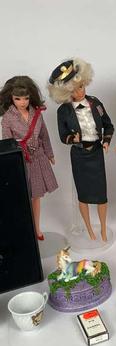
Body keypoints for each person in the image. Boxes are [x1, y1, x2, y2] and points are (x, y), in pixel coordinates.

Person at [48, 58, 114, 241]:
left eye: (81, 86)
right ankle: (89, 230)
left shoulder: (95, 103)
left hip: (96, 153)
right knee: (82, 195)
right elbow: (63, 136)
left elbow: (108, 125)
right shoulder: (63, 111)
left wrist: (106, 141)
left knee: (101, 195)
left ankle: (103, 228)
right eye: (74, 90)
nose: (80, 91)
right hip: (79, 155)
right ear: (65, 93)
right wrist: (73, 139)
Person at [0, 76, 58, 240]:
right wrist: (11, 164)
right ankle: (24, 230)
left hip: (38, 158)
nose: (22, 102)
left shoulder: (36, 112)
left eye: (25, 98)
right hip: (20, 161)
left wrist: (50, 154)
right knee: (22, 198)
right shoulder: (8, 118)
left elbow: (44, 135)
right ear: (11, 98)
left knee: (36, 197)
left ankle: (36, 229)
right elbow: (7, 143)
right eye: (17, 98)